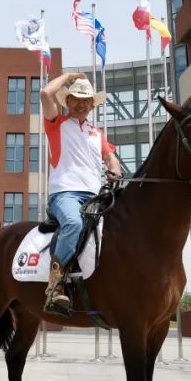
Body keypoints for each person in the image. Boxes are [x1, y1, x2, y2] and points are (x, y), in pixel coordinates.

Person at [40, 72, 122, 316]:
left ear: (92, 105)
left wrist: (115, 170)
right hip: (64, 194)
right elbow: (45, 93)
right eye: (75, 98)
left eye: (86, 100)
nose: (81, 104)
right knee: (74, 223)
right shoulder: (56, 123)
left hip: (95, 196)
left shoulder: (98, 133)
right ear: (67, 101)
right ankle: (55, 285)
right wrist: (68, 76)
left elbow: (110, 158)